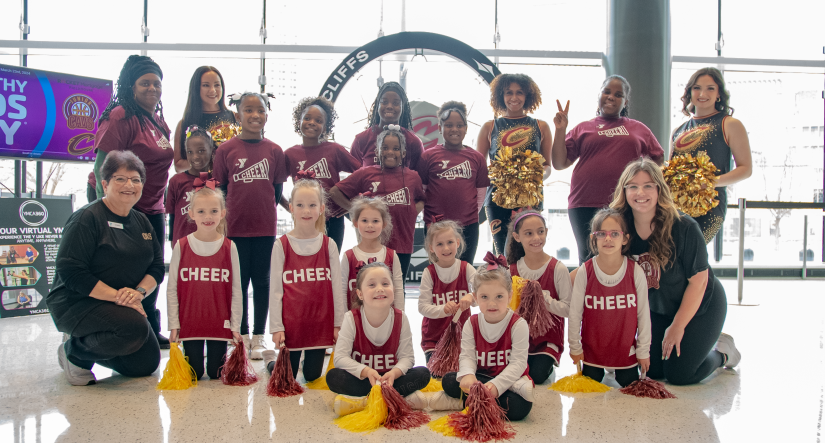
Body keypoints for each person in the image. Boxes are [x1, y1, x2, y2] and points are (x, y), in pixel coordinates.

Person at [610, 157, 741, 385]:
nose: (640, 192)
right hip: (660, 308)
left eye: (648, 185)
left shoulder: (684, 227)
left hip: (701, 305)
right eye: (633, 186)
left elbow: (699, 282)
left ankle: (722, 352)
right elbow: (597, 271)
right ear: (624, 191)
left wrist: (678, 326)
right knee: (652, 370)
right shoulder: (618, 228)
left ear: (659, 189)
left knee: (680, 374)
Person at [47, 151, 163, 386]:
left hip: (120, 304)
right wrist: (120, 298)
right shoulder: (86, 218)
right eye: (120, 178)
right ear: (105, 183)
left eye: (136, 179)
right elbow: (71, 272)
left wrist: (138, 293)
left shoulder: (142, 221)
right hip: (78, 302)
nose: (129, 185)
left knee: (145, 364)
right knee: (133, 329)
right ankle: (74, 352)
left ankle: (94, 343)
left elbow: (157, 267)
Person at [94, 54, 173, 348]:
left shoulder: (158, 120)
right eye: (145, 83)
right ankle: (122, 326)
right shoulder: (121, 116)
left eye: (157, 83)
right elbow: (101, 169)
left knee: (153, 268)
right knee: (123, 269)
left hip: (153, 206)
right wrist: (107, 213)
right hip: (124, 208)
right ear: (131, 85)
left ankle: (150, 326)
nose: (152, 88)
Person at [551, 75, 665, 264]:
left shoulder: (639, 129)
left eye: (618, 95)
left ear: (625, 102)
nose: (611, 97)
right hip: (585, 203)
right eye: (607, 92)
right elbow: (559, 163)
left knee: (627, 259)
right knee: (589, 260)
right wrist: (560, 129)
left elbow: (658, 159)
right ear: (599, 95)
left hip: (626, 204)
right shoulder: (583, 128)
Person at [213, 92, 288, 359]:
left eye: (260, 110)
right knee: (239, 283)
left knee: (263, 282)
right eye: (249, 110)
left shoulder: (275, 151)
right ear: (238, 115)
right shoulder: (225, 150)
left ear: (267, 115)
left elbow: (276, 191)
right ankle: (242, 335)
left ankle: (259, 336)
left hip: (265, 228)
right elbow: (221, 190)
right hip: (235, 229)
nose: (255, 115)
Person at [327, 262, 433, 417]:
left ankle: (367, 400)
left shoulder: (401, 318)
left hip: (391, 379)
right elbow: (340, 358)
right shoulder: (351, 318)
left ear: (393, 289)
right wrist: (367, 371)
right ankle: (393, 398)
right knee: (333, 377)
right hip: (365, 380)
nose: (380, 288)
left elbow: (407, 358)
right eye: (372, 285)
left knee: (423, 374)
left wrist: (394, 373)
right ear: (360, 294)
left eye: (385, 284)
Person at [263, 179, 344, 382]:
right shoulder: (281, 245)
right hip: (292, 325)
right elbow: (275, 291)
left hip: (319, 324)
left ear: (321, 208)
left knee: (312, 376)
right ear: (291, 208)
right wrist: (276, 328)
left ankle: (300, 362)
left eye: (312, 205)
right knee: (287, 377)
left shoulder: (329, 245)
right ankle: (271, 361)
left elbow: (337, 289)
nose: (306, 211)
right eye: (300, 205)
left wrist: (337, 324)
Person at [442, 255, 534, 421]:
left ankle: (472, 402)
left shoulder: (518, 324)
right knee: (449, 380)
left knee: (520, 408)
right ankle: (483, 401)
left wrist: (496, 386)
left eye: (499, 296)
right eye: (484, 297)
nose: (492, 303)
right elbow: (467, 356)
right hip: (481, 378)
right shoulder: (472, 323)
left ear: (510, 296)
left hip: (508, 381)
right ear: (476, 297)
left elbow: (518, 364)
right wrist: (468, 374)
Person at [166, 185, 242, 380]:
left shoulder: (230, 247)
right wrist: (174, 324)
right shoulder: (181, 246)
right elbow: (172, 289)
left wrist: (235, 326)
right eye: (201, 211)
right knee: (195, 373)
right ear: (191, 214)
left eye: (214, 211)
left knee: (216, 373)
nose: (208, 217)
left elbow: (236, 291)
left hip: (219, 323)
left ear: (222, 213)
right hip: (190, 323)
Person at [568, 208, 650, 387]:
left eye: (614, 234)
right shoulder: (585, 271)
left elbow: (643, 315)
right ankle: (604, 367)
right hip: (593, 351)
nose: (608, 238)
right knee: (592, 381)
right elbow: (575, 314)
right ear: (593, 238)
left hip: (624, 349)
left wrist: (643, 351)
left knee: (628, 382)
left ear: (625, 238)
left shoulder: (635, 271)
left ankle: (615, 368)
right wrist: (575, 347)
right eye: (601, 234)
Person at [331, 129, 425, 283]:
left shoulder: (413, 177)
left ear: (403, 153)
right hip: (372, 246)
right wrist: (356, 210)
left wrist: (413, 211)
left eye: (396, 148)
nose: (390, 152)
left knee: (398, 288)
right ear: (377, 152)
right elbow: (335, 192)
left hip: (403, 245)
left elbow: (422, 199)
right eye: (385, 148)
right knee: (372, 286)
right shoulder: (365, 173)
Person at [672, 67, 753, 243]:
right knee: (675, 255)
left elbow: (746, 169)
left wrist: (708, 183)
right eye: (697, 88)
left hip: (710, 207)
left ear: (719, 94)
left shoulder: (730, 124)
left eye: (710, 88)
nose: (702, 94)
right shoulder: (678, 130)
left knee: (694, 252)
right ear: (689, 92)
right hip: (676, 207)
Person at [477, 74, 553, 256]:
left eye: (519, 92)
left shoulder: (541, 126)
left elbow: (548, 166)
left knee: (529, 252)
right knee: (503, 254)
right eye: (508, 92)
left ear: (528, 95)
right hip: (497, 201)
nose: (514, 97)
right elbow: (479, 168)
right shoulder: (489, 127)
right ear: (500, 96)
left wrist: (531, 177)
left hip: (531, 199)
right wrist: (501, 176)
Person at [417, 101, 489, 264]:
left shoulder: (477, 158)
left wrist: (469, 215)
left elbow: (481, 193)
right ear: (439, 127)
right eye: (449, 125)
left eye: (459, 125)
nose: (454, 129)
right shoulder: (428, 156)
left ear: (466, 128)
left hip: (468, 226)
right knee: (437, 270)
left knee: (465, 269)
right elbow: (422, 191)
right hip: (436, 225)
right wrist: (429, 219)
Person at [284, 96, 360, 251]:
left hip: (333, 220)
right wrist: (289, 207)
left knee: (331, 261)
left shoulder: (334, 150)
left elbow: (363, 174)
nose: (312, 122)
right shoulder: (290, 154)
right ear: (299, 121)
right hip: (305, 218)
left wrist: (350, 204)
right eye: (307, 118)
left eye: (318, 121)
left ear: (325, 128)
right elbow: (274, 184)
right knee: (306, 261)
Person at [505, 209, 571, 384]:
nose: (536, 237)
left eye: (540, 231)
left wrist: (543, 299)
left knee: (536, 375)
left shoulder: (558, 268)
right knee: (514, 372)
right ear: (517, 237)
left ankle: (549, 361)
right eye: (529, 233)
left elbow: (568, 309)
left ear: (546, 232)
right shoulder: (511, 270)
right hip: (519, 339)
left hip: (548, 338)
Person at [418, 220, 475, 360]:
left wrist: (472, 296)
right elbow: (422, 307)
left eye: (450, 242)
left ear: (457, 243)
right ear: (431, 248)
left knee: (461, 371)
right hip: (433, 339)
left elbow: (482, 294)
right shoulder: (429, 273)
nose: (446, 248)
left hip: (462, 337)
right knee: (436, 371)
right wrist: (443, 309)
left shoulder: (467, 268)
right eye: (439, 244)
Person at [340, 197, 403, 310]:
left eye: (375, 221)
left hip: (385, 317)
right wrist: (343, 318)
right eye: (364, 220)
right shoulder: (348, 257)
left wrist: (400, 316)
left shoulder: (392, 256)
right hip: (355, 318)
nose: (370, 225)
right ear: (355, 223)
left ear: (384, 224)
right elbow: (341, 291)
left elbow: (398, 290)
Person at [173, 66, 237, 173]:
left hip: (231, 181)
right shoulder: (184, 123)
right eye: (206, 85)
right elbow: (178, 166)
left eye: (217, 85)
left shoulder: (235, 117)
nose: (212, 90)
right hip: (197, 183)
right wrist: (205, 163)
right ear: (196, 88)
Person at [349, 81, 424, 170]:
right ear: (377, 105)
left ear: (402, 107)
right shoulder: (361, 140)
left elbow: (419, 176)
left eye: (395, 103)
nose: (389, 106)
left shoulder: (413, 142)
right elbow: (353, 176)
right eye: (384, 102)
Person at [166, 126, 216, 247]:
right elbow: (172, 215)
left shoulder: (216, 182)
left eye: (201, 151)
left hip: (210, 244)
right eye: (190, 152)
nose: (195, 157)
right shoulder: (176, 181)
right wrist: (172, 241)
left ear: (211, 150)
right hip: (183, 245)